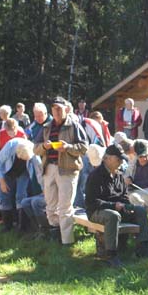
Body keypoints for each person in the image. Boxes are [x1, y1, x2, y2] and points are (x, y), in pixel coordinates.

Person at [35, 98, 89, 246]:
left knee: (65, 208)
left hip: (67, 169)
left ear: (66, 109)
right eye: (54, 109)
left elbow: (84, 148)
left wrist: (67, 148)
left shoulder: (74, 125)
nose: (57, 111)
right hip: (49, 168)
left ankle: (67, 242)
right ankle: (55, 235)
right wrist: (44, 147)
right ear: (51, 111)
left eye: (59, 108)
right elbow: (35, 148)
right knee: (50, 206)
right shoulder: (46, 127)